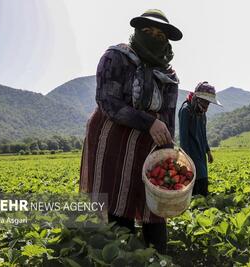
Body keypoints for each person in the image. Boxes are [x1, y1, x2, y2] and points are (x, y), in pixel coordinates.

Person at [79, 9, 182, 254]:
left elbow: (167, 118)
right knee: (117, 198)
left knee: (153, 208)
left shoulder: (169, 75)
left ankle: (156, 256)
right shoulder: (116, 57)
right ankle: (120, 255)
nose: (153, 37)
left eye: (159, 34)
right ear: (136, 32)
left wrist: (169, 152)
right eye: (147, 31)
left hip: (148, 144)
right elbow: (108, 101)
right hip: (112, 140)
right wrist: (148, 122)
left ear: (166, 41)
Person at [178, 82, 222, 197]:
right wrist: (186, 159)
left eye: (208, 103)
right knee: (196, 182)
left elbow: (203, 134)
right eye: (205, 102)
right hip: (190, 153)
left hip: (201, 152)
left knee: (203, 181)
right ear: (197, 98)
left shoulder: (202, 113)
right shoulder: (186, 110)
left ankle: (203, 203)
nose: (207, 106)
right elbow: (183, 138)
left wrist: (208, 151)